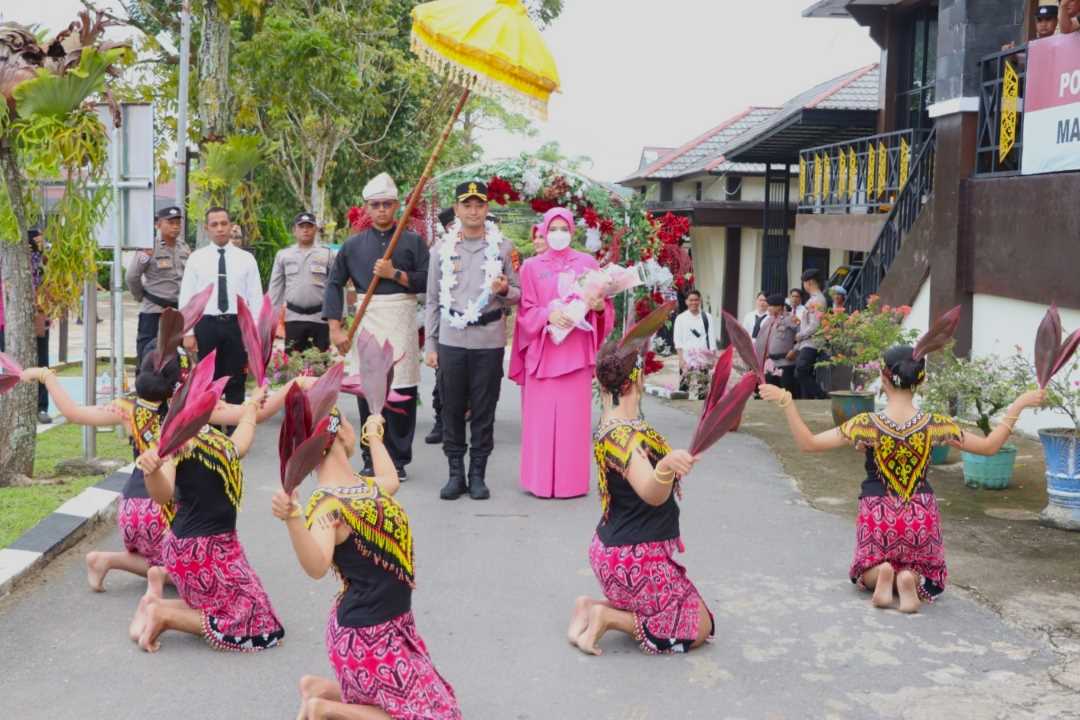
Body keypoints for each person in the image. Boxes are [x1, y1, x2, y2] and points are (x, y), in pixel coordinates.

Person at [759, 343, 1046, 613]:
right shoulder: (935, 424)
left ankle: (881, 575)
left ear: (884, 379)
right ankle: (908, 577)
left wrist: (787, 403)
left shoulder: (866, 424)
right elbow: (988, 447)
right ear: (920, 381)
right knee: (928, 573)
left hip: (877, 511)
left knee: (864, 570)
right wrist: (1017, 406)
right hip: (920, 513)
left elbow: (808, 443)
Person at [271, 397, 461, 719]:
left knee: (444, 708)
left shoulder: (359, 486)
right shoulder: (327, 503)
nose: (352, 428)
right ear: (340, 435)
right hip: (366, 635)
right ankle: (322, 710)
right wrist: (293, 519)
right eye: (348, 423)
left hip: (391, 626)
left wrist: (374, 435)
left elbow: (390, 481)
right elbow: (317, 566)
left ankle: (317, 690)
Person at [567, 334, 714, 656]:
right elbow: (651, 493)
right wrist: (664, 469)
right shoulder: (624, 435)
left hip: (618, 552)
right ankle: (606, 618)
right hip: (634, 559)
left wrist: (669, 464)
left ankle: (589, 606)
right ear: (637, 378)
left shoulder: (615, 423)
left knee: (682, 609)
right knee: (698, 626)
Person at [133, 381, 285, 653]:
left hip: (218, 545)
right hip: (198, 550)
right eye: (217, 401)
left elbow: (239, 446)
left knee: (255, 608)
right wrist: (151, 471)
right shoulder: (176, 441)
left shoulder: (211, 437)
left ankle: (155, 605)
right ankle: (164, 616)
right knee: (256, 625)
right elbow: (163, 494)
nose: (223, 405)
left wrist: (251, 406)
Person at [325, 173, 429, 480]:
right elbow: (334, 284)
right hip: (367, 318)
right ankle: (371, 457)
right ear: (367, 209)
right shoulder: (353, 245)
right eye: (376, 205)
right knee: (368, 388)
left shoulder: (412, 241)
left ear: (397, 206)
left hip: (401, 317)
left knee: (402, 387)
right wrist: (335, 328)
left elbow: (426, 280)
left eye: (387, 204)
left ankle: (398, 459)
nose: (382, 209)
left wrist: (394, 274)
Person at [425, 181, 520, 501]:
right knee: (451, 408)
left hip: (488, 341)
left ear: (486, 209)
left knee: (483, 409)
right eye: (467, 205)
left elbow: (519, 295)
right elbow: (431, 300)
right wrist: (431, 345)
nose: (473, 211)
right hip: (452, 340)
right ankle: (455, 473)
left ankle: (477, 473)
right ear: (457, 209)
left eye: (479, 205)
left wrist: (504, 290)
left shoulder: (504, 248)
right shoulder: (440, 251)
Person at [510, 207, 613, 499]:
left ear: (572, 230)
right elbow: (525, 310)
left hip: (575, 351)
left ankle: (571, 483)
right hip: (544, 351)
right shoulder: (530, 266)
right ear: (543, 230)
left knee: (573, 422)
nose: (558, 234)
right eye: (552, 228)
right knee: (540, 423)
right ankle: (539, 481)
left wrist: (597, 308)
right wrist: (547, 316)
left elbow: (603, 306)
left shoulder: (587, 263)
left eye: (563, 228)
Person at [179, 207, 264, 406]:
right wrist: (188, 332)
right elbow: (187, 298)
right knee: (208, 379)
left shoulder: (246, 259)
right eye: (214, 225)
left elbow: (256, 298)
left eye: (224, 224)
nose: (220, 229)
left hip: (237, 325)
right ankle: (212, 427)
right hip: (206, 325)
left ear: (231, 225)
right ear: (207, 228)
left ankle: (235, 430)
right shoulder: (196, 259)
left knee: (236, 379)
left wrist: (256, 334)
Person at [127, 206, 190, 373]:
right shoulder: (149, 248)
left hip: (177, 314)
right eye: (170, 222)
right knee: (147, 356)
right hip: (154, 312)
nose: (175, 226)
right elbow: (132, 276)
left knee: (177, 360)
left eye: (178, 222)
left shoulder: (184, 248)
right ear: (158, 224)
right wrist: (141, 296)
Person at [269, 211, 336, 354]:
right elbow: (275, 288)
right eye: (301, 227)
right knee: (293, 365)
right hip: (293, 317)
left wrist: (338, 315)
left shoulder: (327, 254)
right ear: (294, 230)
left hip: (320, 318)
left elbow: (336, 286)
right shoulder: (283, 255)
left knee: (320, 364)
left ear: (315, 229)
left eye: (309, 226)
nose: (305, 230)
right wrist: (271, 318)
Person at [425, 207, 458, 446]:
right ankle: (441, 422)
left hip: (479, 329)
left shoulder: (488, 245)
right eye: (451, 225)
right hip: (447, 325)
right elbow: (432, 297)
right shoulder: (437, 252)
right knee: (443, 380)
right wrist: (431, 339)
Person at [794, 269, 827, 400]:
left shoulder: (817, 300)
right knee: (803, 372)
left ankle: (822, 395)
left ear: (809, 282)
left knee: (801, 371)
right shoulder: (814, 299)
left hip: (812, 342)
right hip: (807, 342)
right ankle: (814, 396)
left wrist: (800, 335)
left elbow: (815, 325)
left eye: (804, 282)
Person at [756, 293, 798, 393]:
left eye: (771, 306)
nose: (768, 308)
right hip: (770, 364)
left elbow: (803, 335)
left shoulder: (791, 319)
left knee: (786, 394)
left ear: (779, 307)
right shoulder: (768, 321)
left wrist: (794, 350)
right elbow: (760, 340)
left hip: (785, 362)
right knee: (770, 394)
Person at [29, 229, 50, 423]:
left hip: (40, 315)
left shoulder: (44, 259)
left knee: (42, 361)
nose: (40, 241)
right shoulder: (12, 258)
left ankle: (42, 407)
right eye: (37, 238)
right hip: (10, 318)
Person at [673, 289, 716, 385]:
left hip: (703, 356)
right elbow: (678, 340)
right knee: (684, 387)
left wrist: (712, 358)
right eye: (691, 300)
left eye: (696, 300)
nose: (694, 302)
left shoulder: (707, 317)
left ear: (700, 301)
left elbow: (711, 337)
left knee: (703, 387)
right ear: (686, 302)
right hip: (687, 357)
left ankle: (701, 400)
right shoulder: (680, 318)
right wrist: (681, 359)